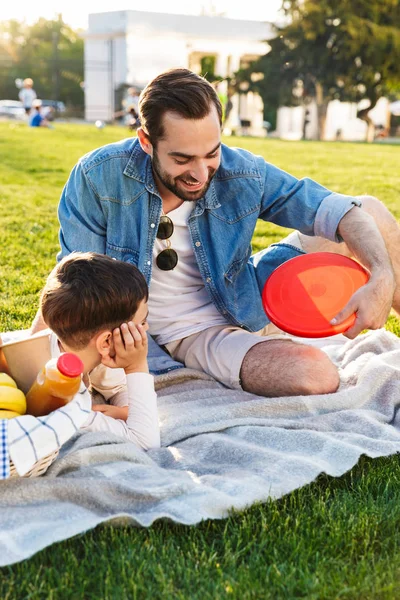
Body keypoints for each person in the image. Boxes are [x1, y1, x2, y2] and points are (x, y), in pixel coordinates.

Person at [32, 68, 400, 399]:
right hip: (190, 334)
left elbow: (337, 210)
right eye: (182, 159)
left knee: (367, 210)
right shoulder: (98, 177)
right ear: (146, 142)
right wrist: (39, 361)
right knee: (315, 375)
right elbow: (77, 282)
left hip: (246, 293)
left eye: (211, 153)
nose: (201, 173)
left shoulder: (242, 170)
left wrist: (382, 276)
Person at [36, 252, 160, 449]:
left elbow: (119, 388)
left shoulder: (80, 347)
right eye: (142, 322)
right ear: (106, 341)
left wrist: (126, 410)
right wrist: (136, 366)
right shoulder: (64, 404)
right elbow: (146, 441)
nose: (146, 329)